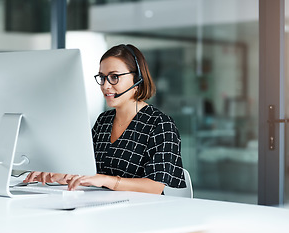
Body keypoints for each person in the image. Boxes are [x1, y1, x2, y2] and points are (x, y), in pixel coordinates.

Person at [24, 44, 186, 194]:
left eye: (114, 77)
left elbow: (155, 187)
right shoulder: (104, 120)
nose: (105, 86)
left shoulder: (160, 124)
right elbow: (88, 170)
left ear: (137, 79)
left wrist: (105, 180)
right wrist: (59, 174)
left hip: (142, 212)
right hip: (104, 207)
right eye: (102, 77)